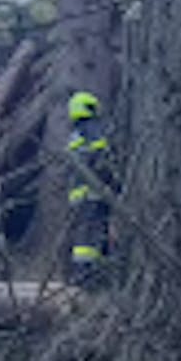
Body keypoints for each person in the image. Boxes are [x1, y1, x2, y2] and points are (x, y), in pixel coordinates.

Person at [66, 89, 114, 287]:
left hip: (78, 194)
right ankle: (91, 278)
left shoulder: (74, 135)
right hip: (93, 192)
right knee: (94, 235)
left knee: (83, 237)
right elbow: (103, 156)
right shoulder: (92, 129)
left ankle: (81, 275)